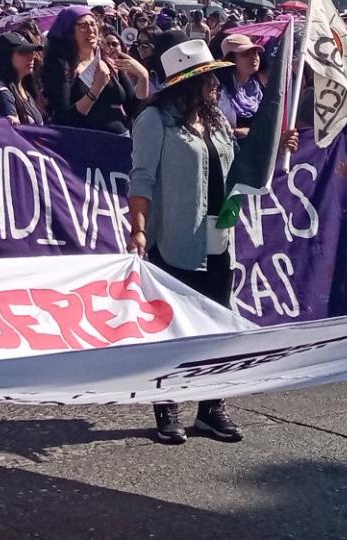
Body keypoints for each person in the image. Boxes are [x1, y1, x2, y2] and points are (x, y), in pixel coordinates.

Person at [127, 37, 241, 446]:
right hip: (173, 237)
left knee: (217, 324)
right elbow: (141, 178)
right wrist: (138, 228)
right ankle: (169, 405)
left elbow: (236, 166)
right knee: (173, 327)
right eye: (209, 77)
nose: (216, 85)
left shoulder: (216, 120)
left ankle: (211, 407)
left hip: (218, 235)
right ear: (187, 82)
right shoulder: (154, 120)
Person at [43, 10, 150, 134]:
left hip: (119, 141)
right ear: (69, 33)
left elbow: (134, 109)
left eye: (93, 24)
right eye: (83, 26)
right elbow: (65, 120)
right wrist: (96, 89)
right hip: (86, 144)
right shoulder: (61, 68)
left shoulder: (108, 60)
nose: (91, 30)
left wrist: (143, 76)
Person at [0, 32, 46, 125]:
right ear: (6, 57)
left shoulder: (25, 88)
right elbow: (14, 136)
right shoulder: (1, 94)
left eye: (32, 51)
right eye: (23, 52)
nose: (32, 56)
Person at [217, 33, 265, 135]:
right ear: (231, 59)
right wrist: (236, 132)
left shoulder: (259, 88)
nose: (254, 57)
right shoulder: (218, 91)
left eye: (255, 52)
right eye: (245, 54)